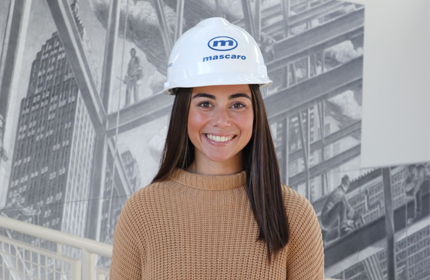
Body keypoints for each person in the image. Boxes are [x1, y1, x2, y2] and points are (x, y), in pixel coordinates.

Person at [110, 17, 324, 279]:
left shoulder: (295, 215)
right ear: (183, 112)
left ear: (256, 112)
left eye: (237, 105)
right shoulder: (141, 213)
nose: (222, 121)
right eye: (205, 104)